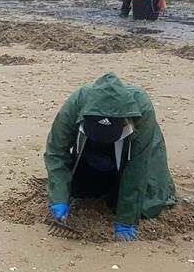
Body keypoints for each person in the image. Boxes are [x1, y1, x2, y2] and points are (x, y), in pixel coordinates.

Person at [43, 73, 176, 241]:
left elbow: (138, 165)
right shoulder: (77, 103)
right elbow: (56, 150)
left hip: (131, 148)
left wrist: (126, 220)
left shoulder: (142, 109)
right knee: (80, 192)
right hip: (91, 150)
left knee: (147, 204)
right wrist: (59, 196)